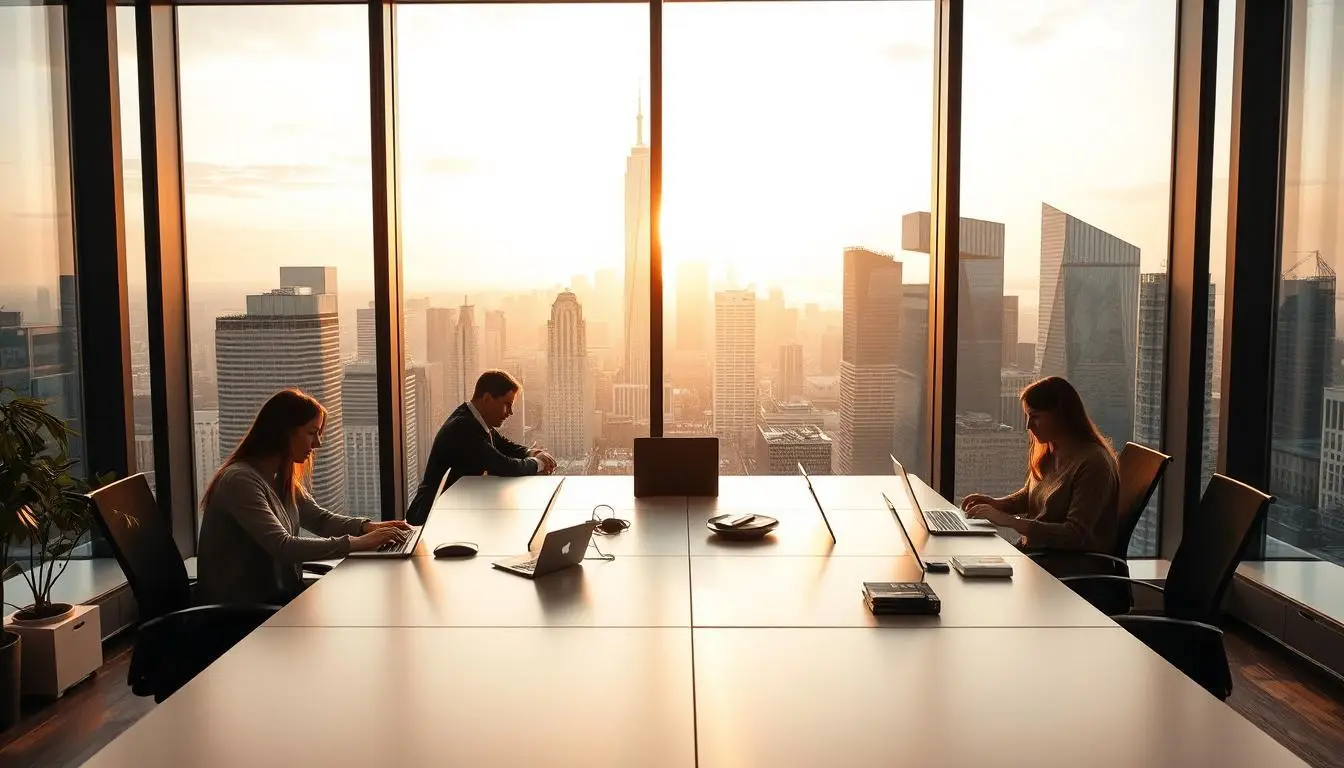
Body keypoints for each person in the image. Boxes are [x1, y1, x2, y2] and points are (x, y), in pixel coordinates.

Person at [197, 389, 411, 605]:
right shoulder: (240, 481)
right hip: (243, 614)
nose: (317, 443)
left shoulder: (278, 476)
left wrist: (369, 528)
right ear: (284, 432)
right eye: (311, 432)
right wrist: (358, 543)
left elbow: (319, 520)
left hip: (276, 599)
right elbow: (283, 546)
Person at [962, 376, 1120, 552]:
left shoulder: (1094, 464)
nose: (1029, 425)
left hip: (1066, 565)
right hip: (1037, 555)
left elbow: (1074, 535)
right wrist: (996, 504)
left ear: (1061, 415)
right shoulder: (1051, 452)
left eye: (1035, 416)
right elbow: (1031, 496)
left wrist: (1011, 522)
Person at [406, 370, 556, 525]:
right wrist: (540, 463)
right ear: (487, 398)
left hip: (449, 513)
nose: (510, 412)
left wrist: (532, 452)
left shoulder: (473, 418)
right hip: (429, 519)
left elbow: (504, 445)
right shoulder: (463, 428)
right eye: (507, 404)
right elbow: (504, 466)